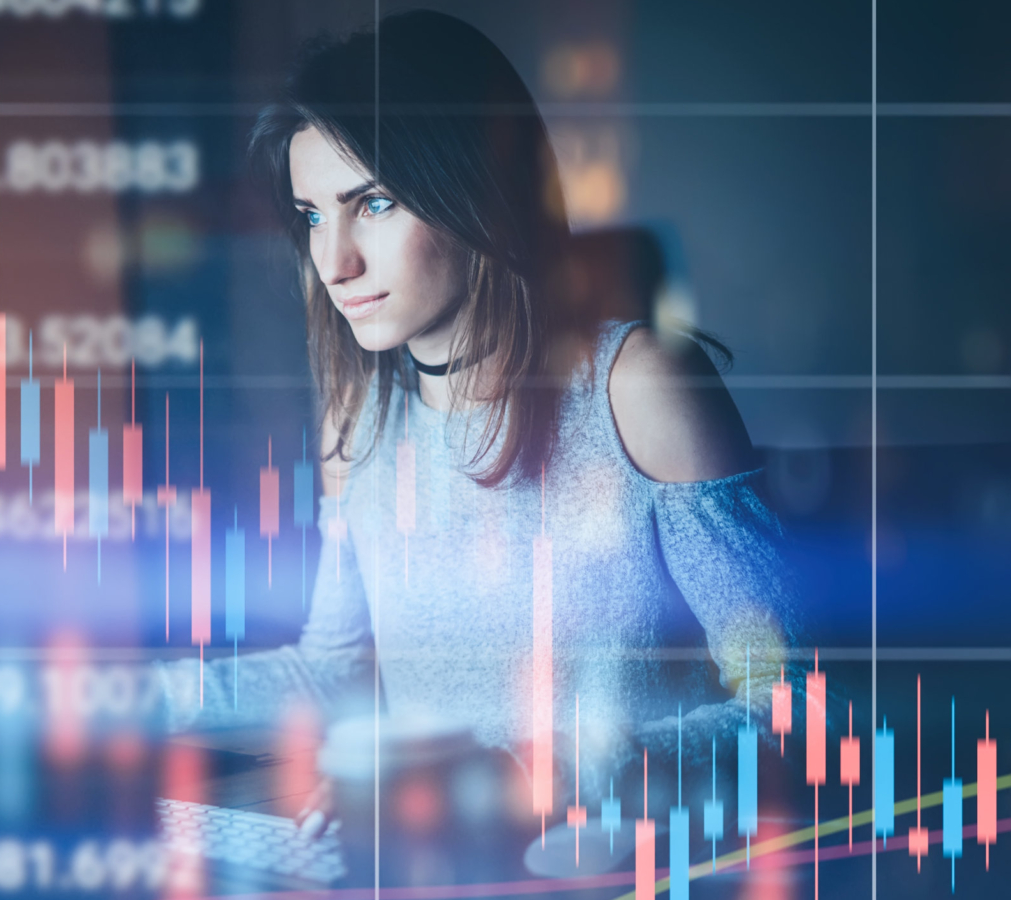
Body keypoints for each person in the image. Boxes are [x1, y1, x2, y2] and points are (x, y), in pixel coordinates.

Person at [156, 10, 800, 836]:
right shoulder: (357, 419)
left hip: (641, 864)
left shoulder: (639, 387)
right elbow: (332, 671)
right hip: (450, 868)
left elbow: (802, 706)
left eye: (375, 203)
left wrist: (532, 769)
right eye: (313, 215)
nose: (336, 261)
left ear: (476, 193)